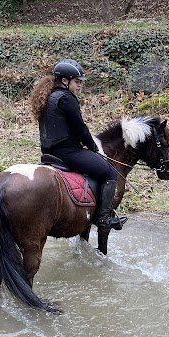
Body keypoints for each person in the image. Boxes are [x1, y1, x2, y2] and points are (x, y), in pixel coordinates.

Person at [30, 58, 126, 232]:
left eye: (80, 82)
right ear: (65, 81)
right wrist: (93, 147)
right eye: (77, 82)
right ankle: (104, 218)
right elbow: (80, 128)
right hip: (67, 153)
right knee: (110, 172)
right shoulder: (67, 98)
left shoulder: (48, 97)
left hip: (48, 153)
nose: (79, 86)